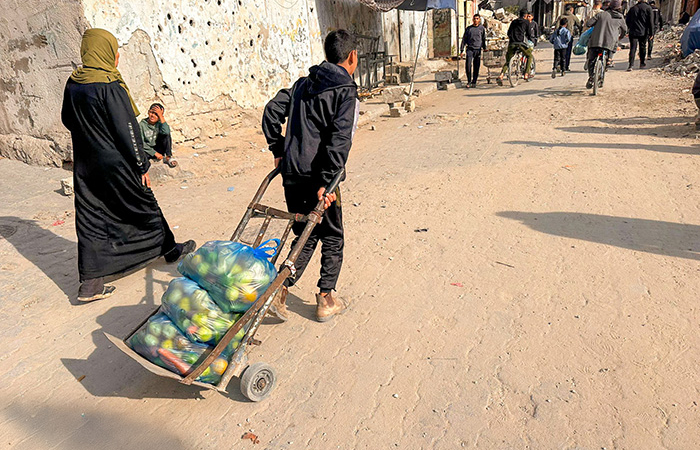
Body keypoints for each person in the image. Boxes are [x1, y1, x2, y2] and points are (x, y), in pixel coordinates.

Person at [61, 29, 195, 302]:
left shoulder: (74, 82)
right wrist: (141, 164)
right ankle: (169, 250)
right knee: (143, 204)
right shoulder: (110, 86)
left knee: (91, 217)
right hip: (116, 163)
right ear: (106, 52)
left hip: (86, 164)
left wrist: (90, 134)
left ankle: (90, 285)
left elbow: (67, 119)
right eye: (114, 50)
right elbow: (129, 131)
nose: (118, 56)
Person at [261, 30, 359, 323]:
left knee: (306, 231)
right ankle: (326, 298)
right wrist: (327, 182)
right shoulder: (346, 90)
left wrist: (278, 149)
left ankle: (279, 289)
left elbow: (271, 112)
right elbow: (339, 140)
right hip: (319, 178)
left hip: (292, 174)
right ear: (352, 57)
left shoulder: (303, 84)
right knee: (332, 235)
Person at [585, 0, 628, 88]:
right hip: (610, 43)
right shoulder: (620, 17)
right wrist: (621, 37)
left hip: (596, 42)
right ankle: (609, 60)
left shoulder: (601, 14)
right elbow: (625, 30)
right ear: (619, 8)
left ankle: (591, 77)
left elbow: (588, 23)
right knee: (613, 45)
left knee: (591, 60)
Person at [497, 8, 534, 85]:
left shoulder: (513, 22)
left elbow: (508, 33)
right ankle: (526, 74)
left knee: (508, 60)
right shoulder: (526, 22)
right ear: (526, 15)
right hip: (521, 44)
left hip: (512, 43)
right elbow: (529, 34)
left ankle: (501, 75)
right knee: (529, 56)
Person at [139, 103, 177, 167]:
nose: (153, 115)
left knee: (166, 135)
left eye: (156, 114)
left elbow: (166, 132)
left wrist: (161, 116)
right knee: (140, 157)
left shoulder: (160, 123)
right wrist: (154, 153)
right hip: (147, 150)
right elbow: (141, 142)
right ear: (148, 112)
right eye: (151, 113)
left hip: (157, 147)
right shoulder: (142, 124)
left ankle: (168, 157)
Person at [460, 14, 487, 88]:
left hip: (478, 50)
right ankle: (469, 81)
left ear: (479, 20)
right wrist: (461, 50)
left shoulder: (481, 28)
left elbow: (483, 39)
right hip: (470, 49)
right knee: (468, 65)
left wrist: (484, 48)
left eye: (477, 19)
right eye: (474, 19)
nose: (476, 20)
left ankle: (474, 81)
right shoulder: (469, 29)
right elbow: (464, 40)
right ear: (473, 20)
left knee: (476, 66)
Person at [626, 0, 653, 70]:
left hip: (633, 31)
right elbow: (650, 21)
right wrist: (651, 33)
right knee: (642, 47)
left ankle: (631, 65)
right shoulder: (648, 8)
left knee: (633, 48)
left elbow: (627, 20)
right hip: (643, 32)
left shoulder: (633, 8)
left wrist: (629, 28)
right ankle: (642, 63)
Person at [557, 5, 583, 71]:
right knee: (567, 52)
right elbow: (579, 24)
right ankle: (566, 66)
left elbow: (556, 27)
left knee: (560, 50)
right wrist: (581, 32)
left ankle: (559, 64)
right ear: (571, 10)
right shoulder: (573, 17)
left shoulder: (561, 17)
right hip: (569, 36)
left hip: (560, 36)